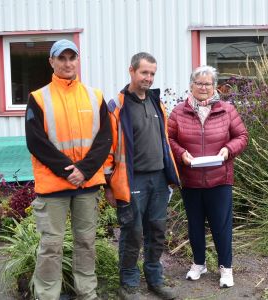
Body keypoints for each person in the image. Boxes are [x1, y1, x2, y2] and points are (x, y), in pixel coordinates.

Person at [25, 39, 112, 300]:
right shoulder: (38, 98)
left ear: (78, 60)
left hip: (86, 185)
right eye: (61, 58)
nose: (67, 63)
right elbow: (36, 142)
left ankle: (87, 293)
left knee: (86, 243)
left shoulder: (95, 96)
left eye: (71, 57)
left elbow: (105, 139)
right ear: (51, 61)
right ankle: (47, 295)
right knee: (50, 247)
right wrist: (68, 170)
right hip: (54, 187)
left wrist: (83, 171)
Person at [103, 52, 180, 300]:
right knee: (132, 232)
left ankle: (155, 280)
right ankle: (128, 283)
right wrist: (108, 185)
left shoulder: (157, 103)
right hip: (131, 180)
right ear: (132, 71)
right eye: (144, 72)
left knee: (157, 230)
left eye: (152, 73)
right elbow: (107, 148)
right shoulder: (117, 107)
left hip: (158, 179)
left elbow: (164, 142)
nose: (148, 78)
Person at [167, 65, 248, 288]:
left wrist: (228, 150)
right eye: (199, 83)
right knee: (194, 225)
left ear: (214, 86)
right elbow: (169, 139)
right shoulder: (178, 112)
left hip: (219, 178)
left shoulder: (227, 110)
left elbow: (241, 136)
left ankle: (226, 268)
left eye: (208, 83)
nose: (203, 87)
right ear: (191, 85)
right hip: (191, 180)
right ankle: (199, 263)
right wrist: (181, 153)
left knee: (221, 225)